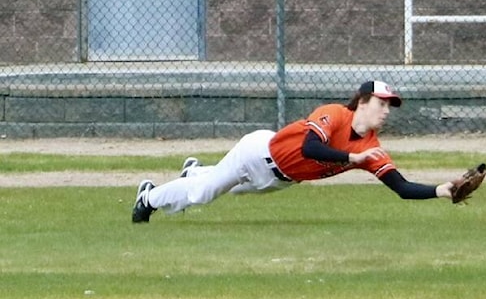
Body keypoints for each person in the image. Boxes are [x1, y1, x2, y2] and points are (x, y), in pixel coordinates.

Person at [132, 80, 460, 222]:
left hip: (279, 180)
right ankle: (147, 198)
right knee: (203, 194)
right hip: (258, 152)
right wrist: (350, 158)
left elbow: (401, 188)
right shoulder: (334, 113)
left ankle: (195, 171)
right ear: (361, 102)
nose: (386, 111)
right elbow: (310, 146)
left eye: (390, 106)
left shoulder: (370, 147)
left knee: (223, 187)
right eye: (381, 103)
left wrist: (442, 191)